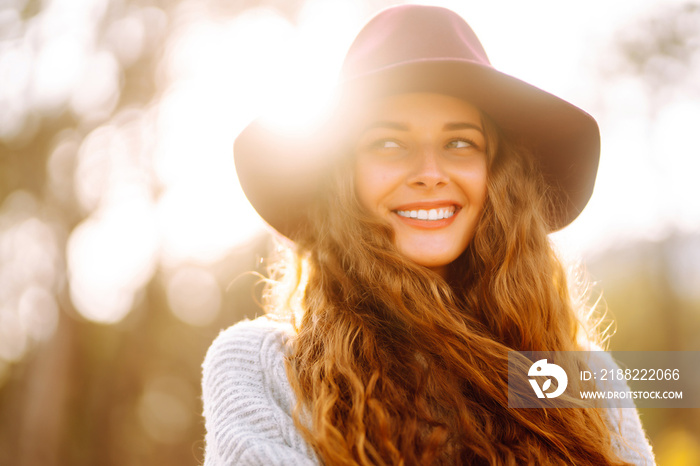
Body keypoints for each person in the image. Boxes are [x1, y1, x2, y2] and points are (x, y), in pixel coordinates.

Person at [202, 5, 656, 465]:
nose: (430, 172)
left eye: (459, 142)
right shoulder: (262, 365)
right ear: (344, 178)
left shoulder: (580, 378)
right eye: (389, 144)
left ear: (496, 176)